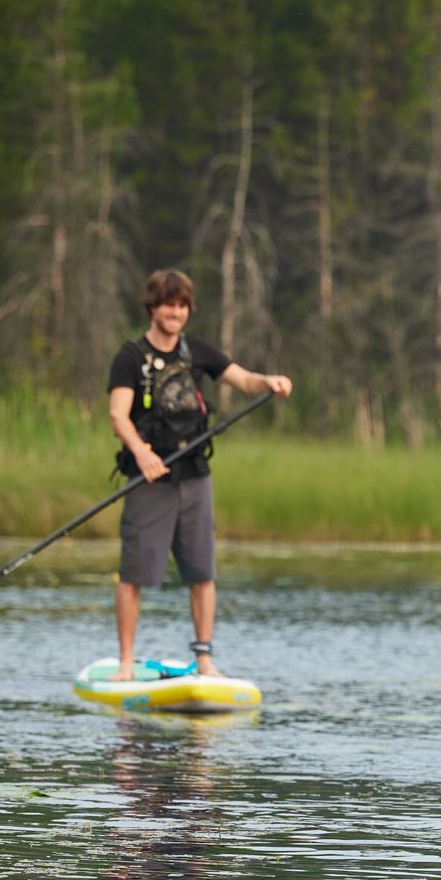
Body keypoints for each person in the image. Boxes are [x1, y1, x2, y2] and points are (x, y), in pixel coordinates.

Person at [106, 269, 292, 681]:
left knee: (202, 571)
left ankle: (204, 659)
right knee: (134, 572)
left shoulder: (198, 351)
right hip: (148, 478)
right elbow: (119, 415)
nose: (175, 312)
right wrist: (142, 454)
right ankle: (124, 662)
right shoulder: (130, 357)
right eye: (168, 304)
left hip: (194, 476)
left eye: (182, 305)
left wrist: (269, 382)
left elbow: (243, 379)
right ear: (153, 306)